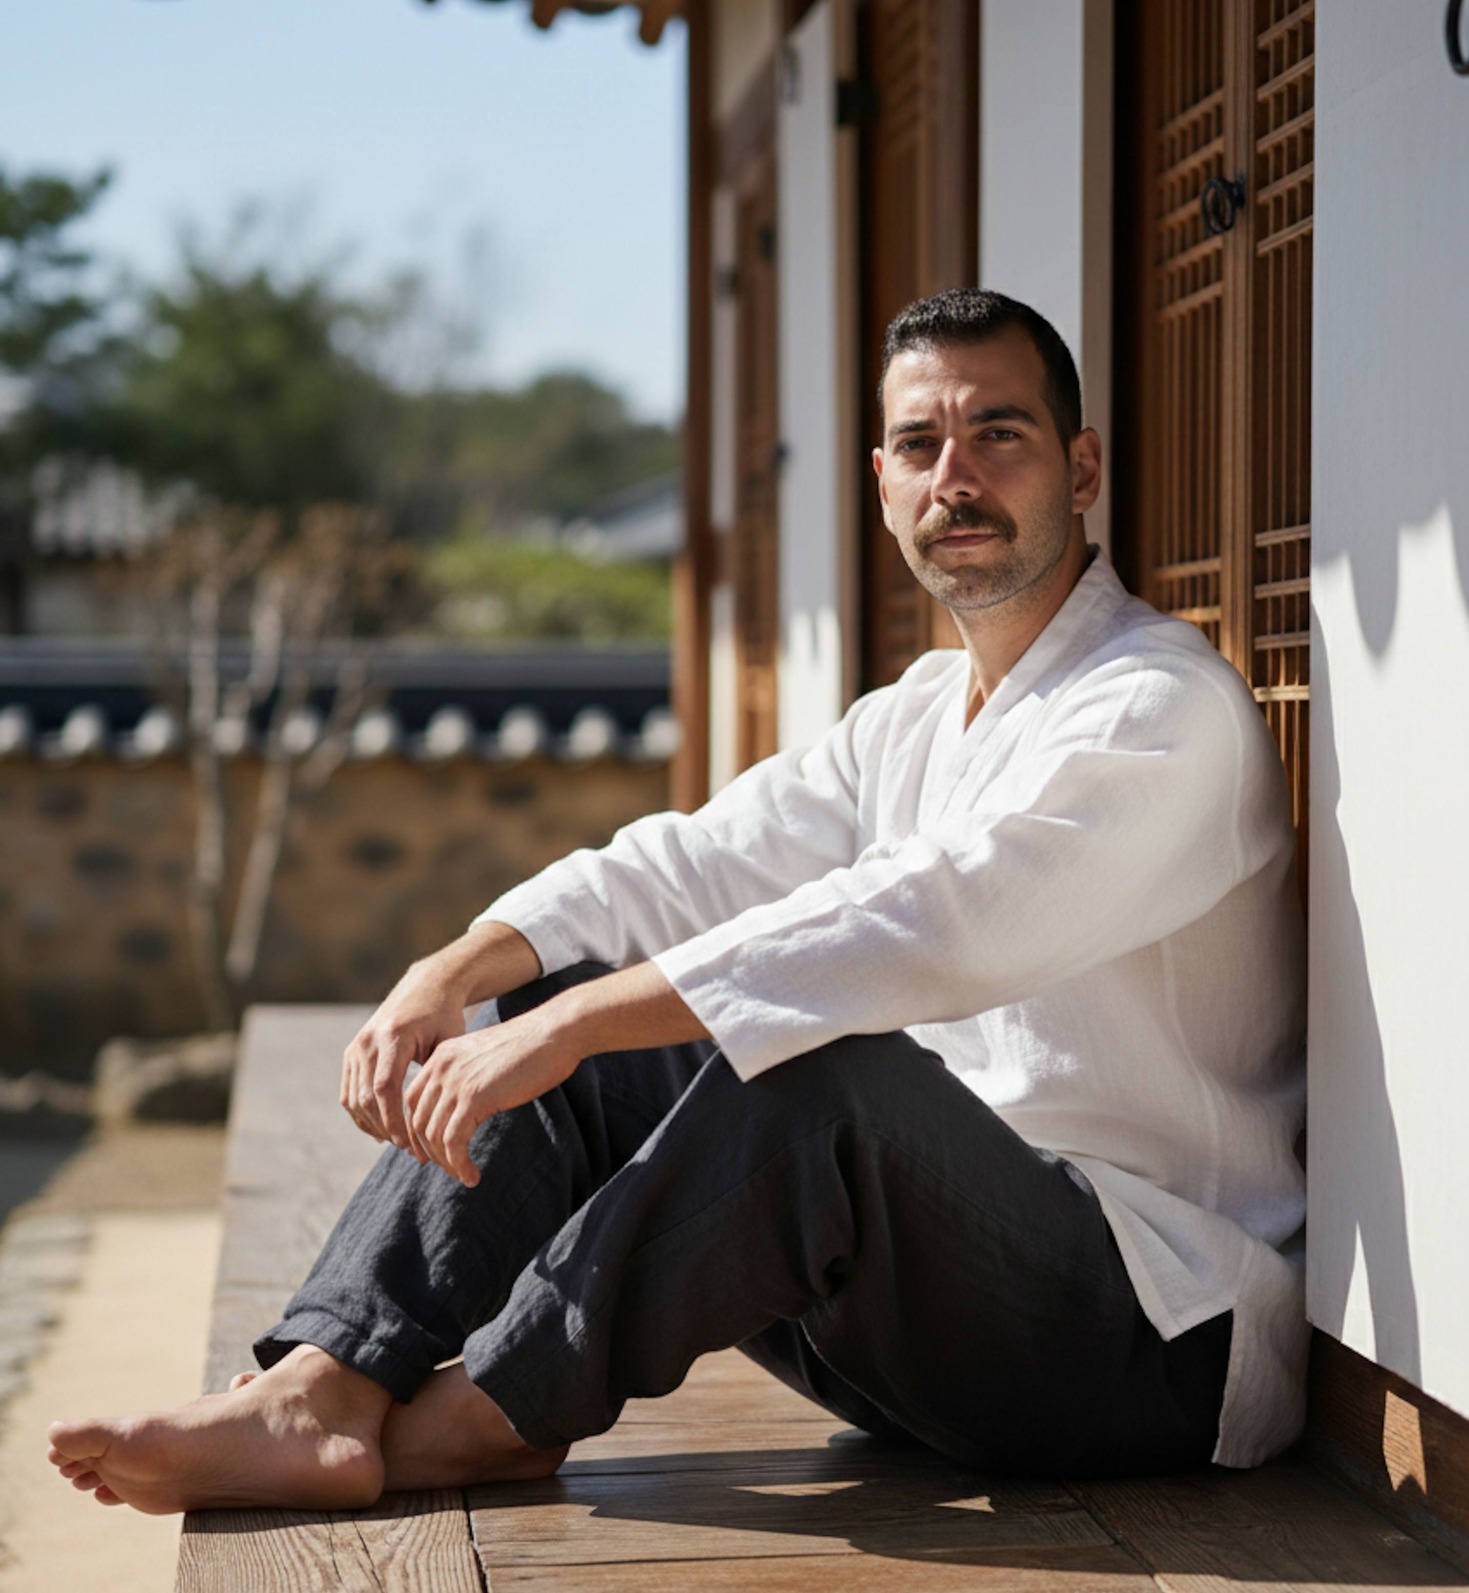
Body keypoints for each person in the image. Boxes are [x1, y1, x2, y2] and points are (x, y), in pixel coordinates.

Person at [48, 289, 1306, 1516]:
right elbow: (690, 861)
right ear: (881, 480)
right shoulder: (916, 714)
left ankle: (489, 1414)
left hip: (1147, 1333)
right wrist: (461, 965)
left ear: (1080, 468)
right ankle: (320, 1387)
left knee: (801, 1067)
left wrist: (583, 1021)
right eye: (921, 444)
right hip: (926, 1330)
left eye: (1001, 434)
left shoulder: (1158, 707)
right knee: (574, 1009)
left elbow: (935, 917)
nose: (955, 477)